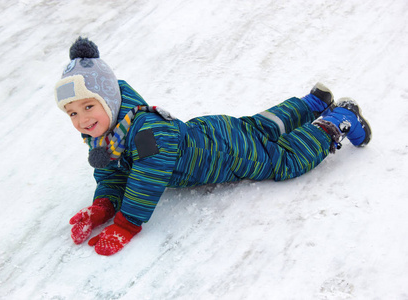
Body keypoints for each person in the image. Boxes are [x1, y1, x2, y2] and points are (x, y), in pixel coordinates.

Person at [54, 37, 371, 256]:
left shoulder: (147, 132)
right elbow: (113, 174)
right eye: (71, 112)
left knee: (285, 159)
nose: (81, 119)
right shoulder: (108, 135)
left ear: (108, 100)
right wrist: (103, 206)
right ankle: (313, 102)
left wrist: (126, 222)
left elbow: (146, 179)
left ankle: (338, 118)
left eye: (87, 107)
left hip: (226, 155)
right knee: (259, 127)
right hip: (214, 131)